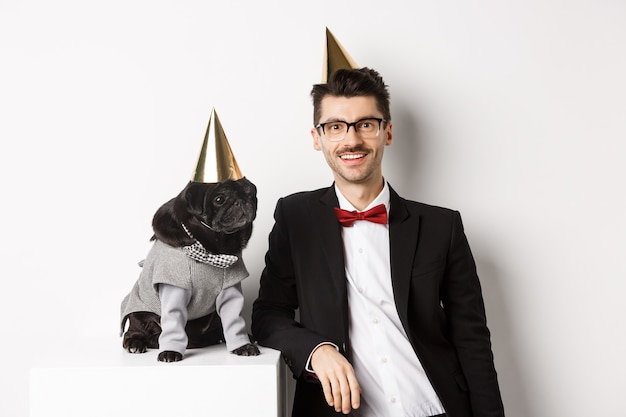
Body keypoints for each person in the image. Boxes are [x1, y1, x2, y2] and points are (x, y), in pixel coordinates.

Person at [252, 67, 505, 417]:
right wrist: (317, 351)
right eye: (336, 127)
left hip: (435, 406)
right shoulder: (295, 217)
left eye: (365, 124)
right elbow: (267, 315)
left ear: (387, 132)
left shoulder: (441, 226)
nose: (351, 140)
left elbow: (472, 339)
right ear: (317, 137)